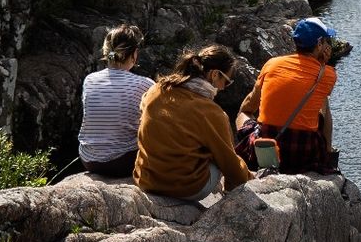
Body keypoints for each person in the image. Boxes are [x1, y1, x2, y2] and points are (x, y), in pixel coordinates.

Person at [132, 45, 254, 201]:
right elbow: (230, 165)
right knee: (218, 148)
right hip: (186, 188)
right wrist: (250, 177)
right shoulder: (211, 112)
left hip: (146, 180)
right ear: (215, 74)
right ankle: (229, 191)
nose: (224, 88)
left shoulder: (156, 89)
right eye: (227, 81)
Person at [237, 17, 340, 175]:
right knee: (323, 104)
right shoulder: (328, 74)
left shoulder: (272, 64)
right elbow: (319, 102)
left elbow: (249, 105)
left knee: (242, 114)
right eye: (326, 41)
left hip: (267, 144)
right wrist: (323, 66)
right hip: (303, 152)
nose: (328, 45)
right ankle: (328, 153)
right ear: (319, 44)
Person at [77, 24, 154, 178]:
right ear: (134, 54)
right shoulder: (145, 84)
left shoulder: (90, 80)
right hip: (122, 162)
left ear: (107, 52)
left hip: (88, 159)